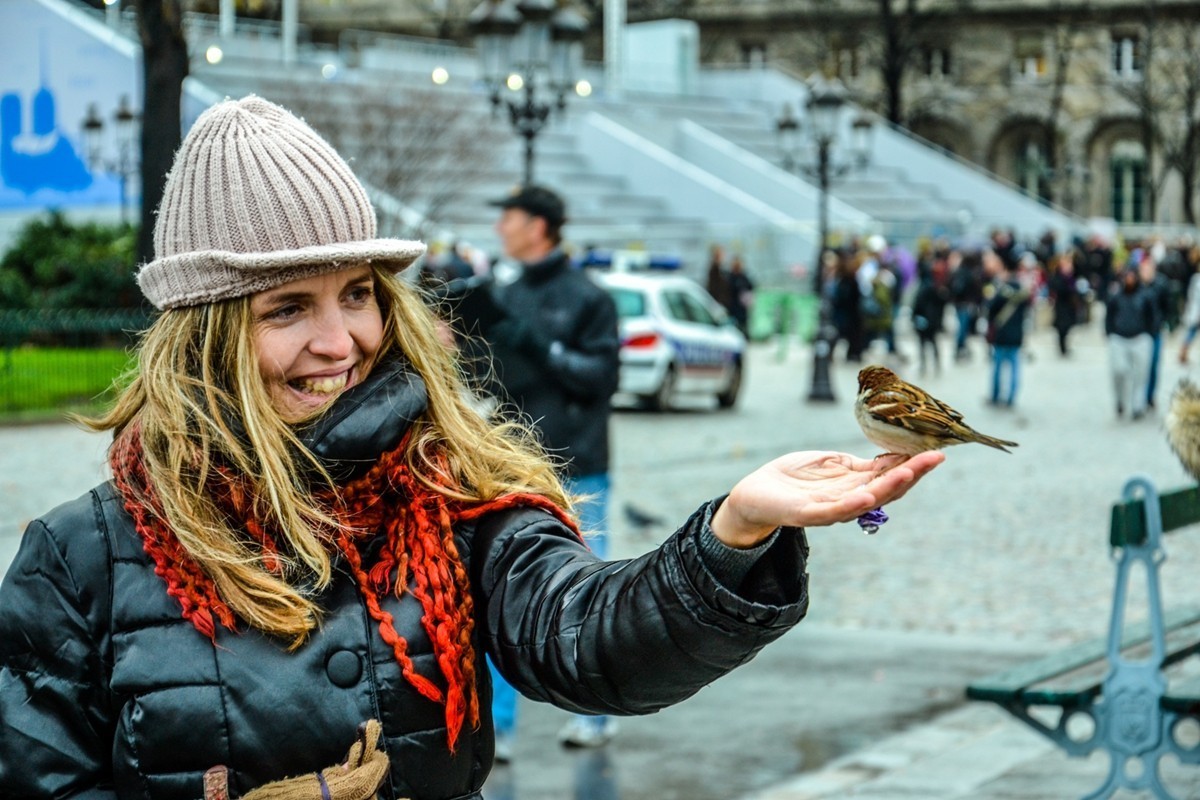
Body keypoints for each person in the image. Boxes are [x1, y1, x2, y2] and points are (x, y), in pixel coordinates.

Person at [0, 96, 942, 800]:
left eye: (358, 294)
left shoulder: (450, 494)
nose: (340, 342)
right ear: (203, 337)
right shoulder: (78, 559)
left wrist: (730, 535)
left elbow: (588, 636)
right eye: (287, 308)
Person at [479, 184, 623, 754]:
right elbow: (491, 381)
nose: (500, 228)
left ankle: (595, 714)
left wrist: (541, 348)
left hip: (578, 466)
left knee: (583, 593)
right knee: (497, 592)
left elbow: (601, 379)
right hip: (512, 464)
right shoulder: (505, 294)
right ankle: (497, 727)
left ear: (538, 226)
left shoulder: (589, 298)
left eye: (509, 217)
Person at [1106, 267, 1156, 420]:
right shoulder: (1116, 297)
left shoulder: (1145, 296)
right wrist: (1110, 332)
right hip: (1119, 338)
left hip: (1140, 338)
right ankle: (1120, 400)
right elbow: (1109, 316)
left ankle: (1137, 406)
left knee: (1140, 375)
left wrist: (1149, 333)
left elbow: (1152, 317)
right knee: (1118, 371)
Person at [983, 249, 1030, 408]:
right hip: (1017, 333)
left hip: (1001, 333)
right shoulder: (1022, 290)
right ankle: (1011, 398)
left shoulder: (1001, 290)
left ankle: (996, 396)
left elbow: (990, 309)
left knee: (997, 367)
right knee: (1015, 368)